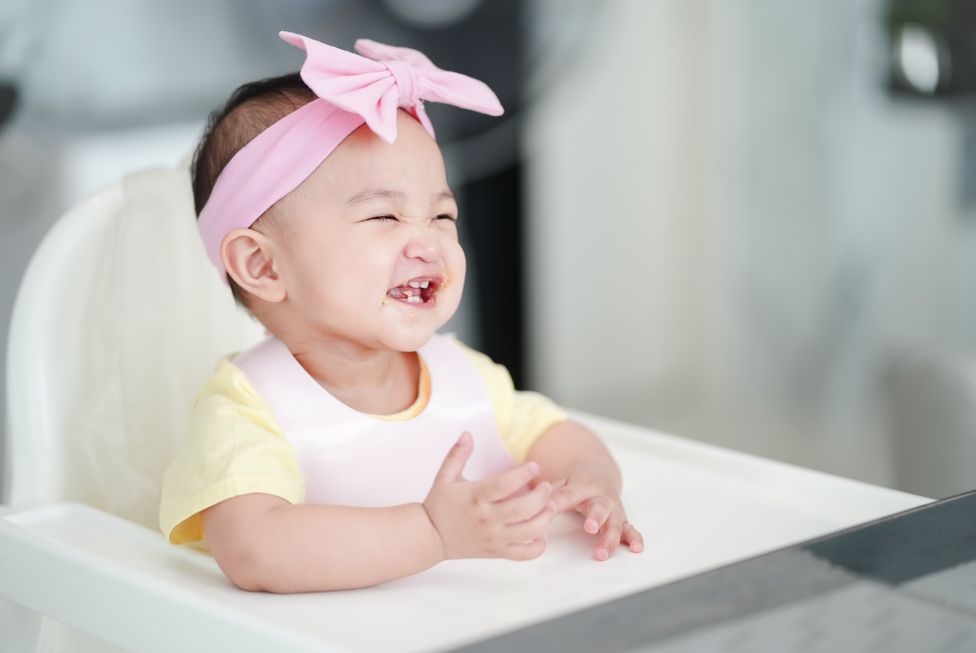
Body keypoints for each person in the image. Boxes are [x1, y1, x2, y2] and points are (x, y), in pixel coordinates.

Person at [159, 32, 643, 593]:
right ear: (263, 266)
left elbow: (556, 435)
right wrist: (434, 533)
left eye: (442, 217)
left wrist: (589, 481)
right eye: (384, 218)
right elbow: (255, 550)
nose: (429, 244)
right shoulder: (249, 409)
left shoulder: (464, 377)